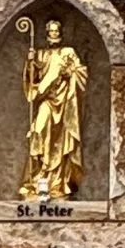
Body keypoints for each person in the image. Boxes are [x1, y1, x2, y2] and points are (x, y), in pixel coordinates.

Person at [18, 18, 87, 202]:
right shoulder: (40, 54)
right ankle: (38, 179)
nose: (54, 34)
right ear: (47, 34)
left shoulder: (68, 52)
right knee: (38, 131)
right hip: (47, 101)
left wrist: (69, 73)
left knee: (59, 143)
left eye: (56, 31)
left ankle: (57, 184)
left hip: (64, 105)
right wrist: (30, 63)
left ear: (60, 34)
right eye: (51, 31)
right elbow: (32, 80)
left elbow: (81, 74)